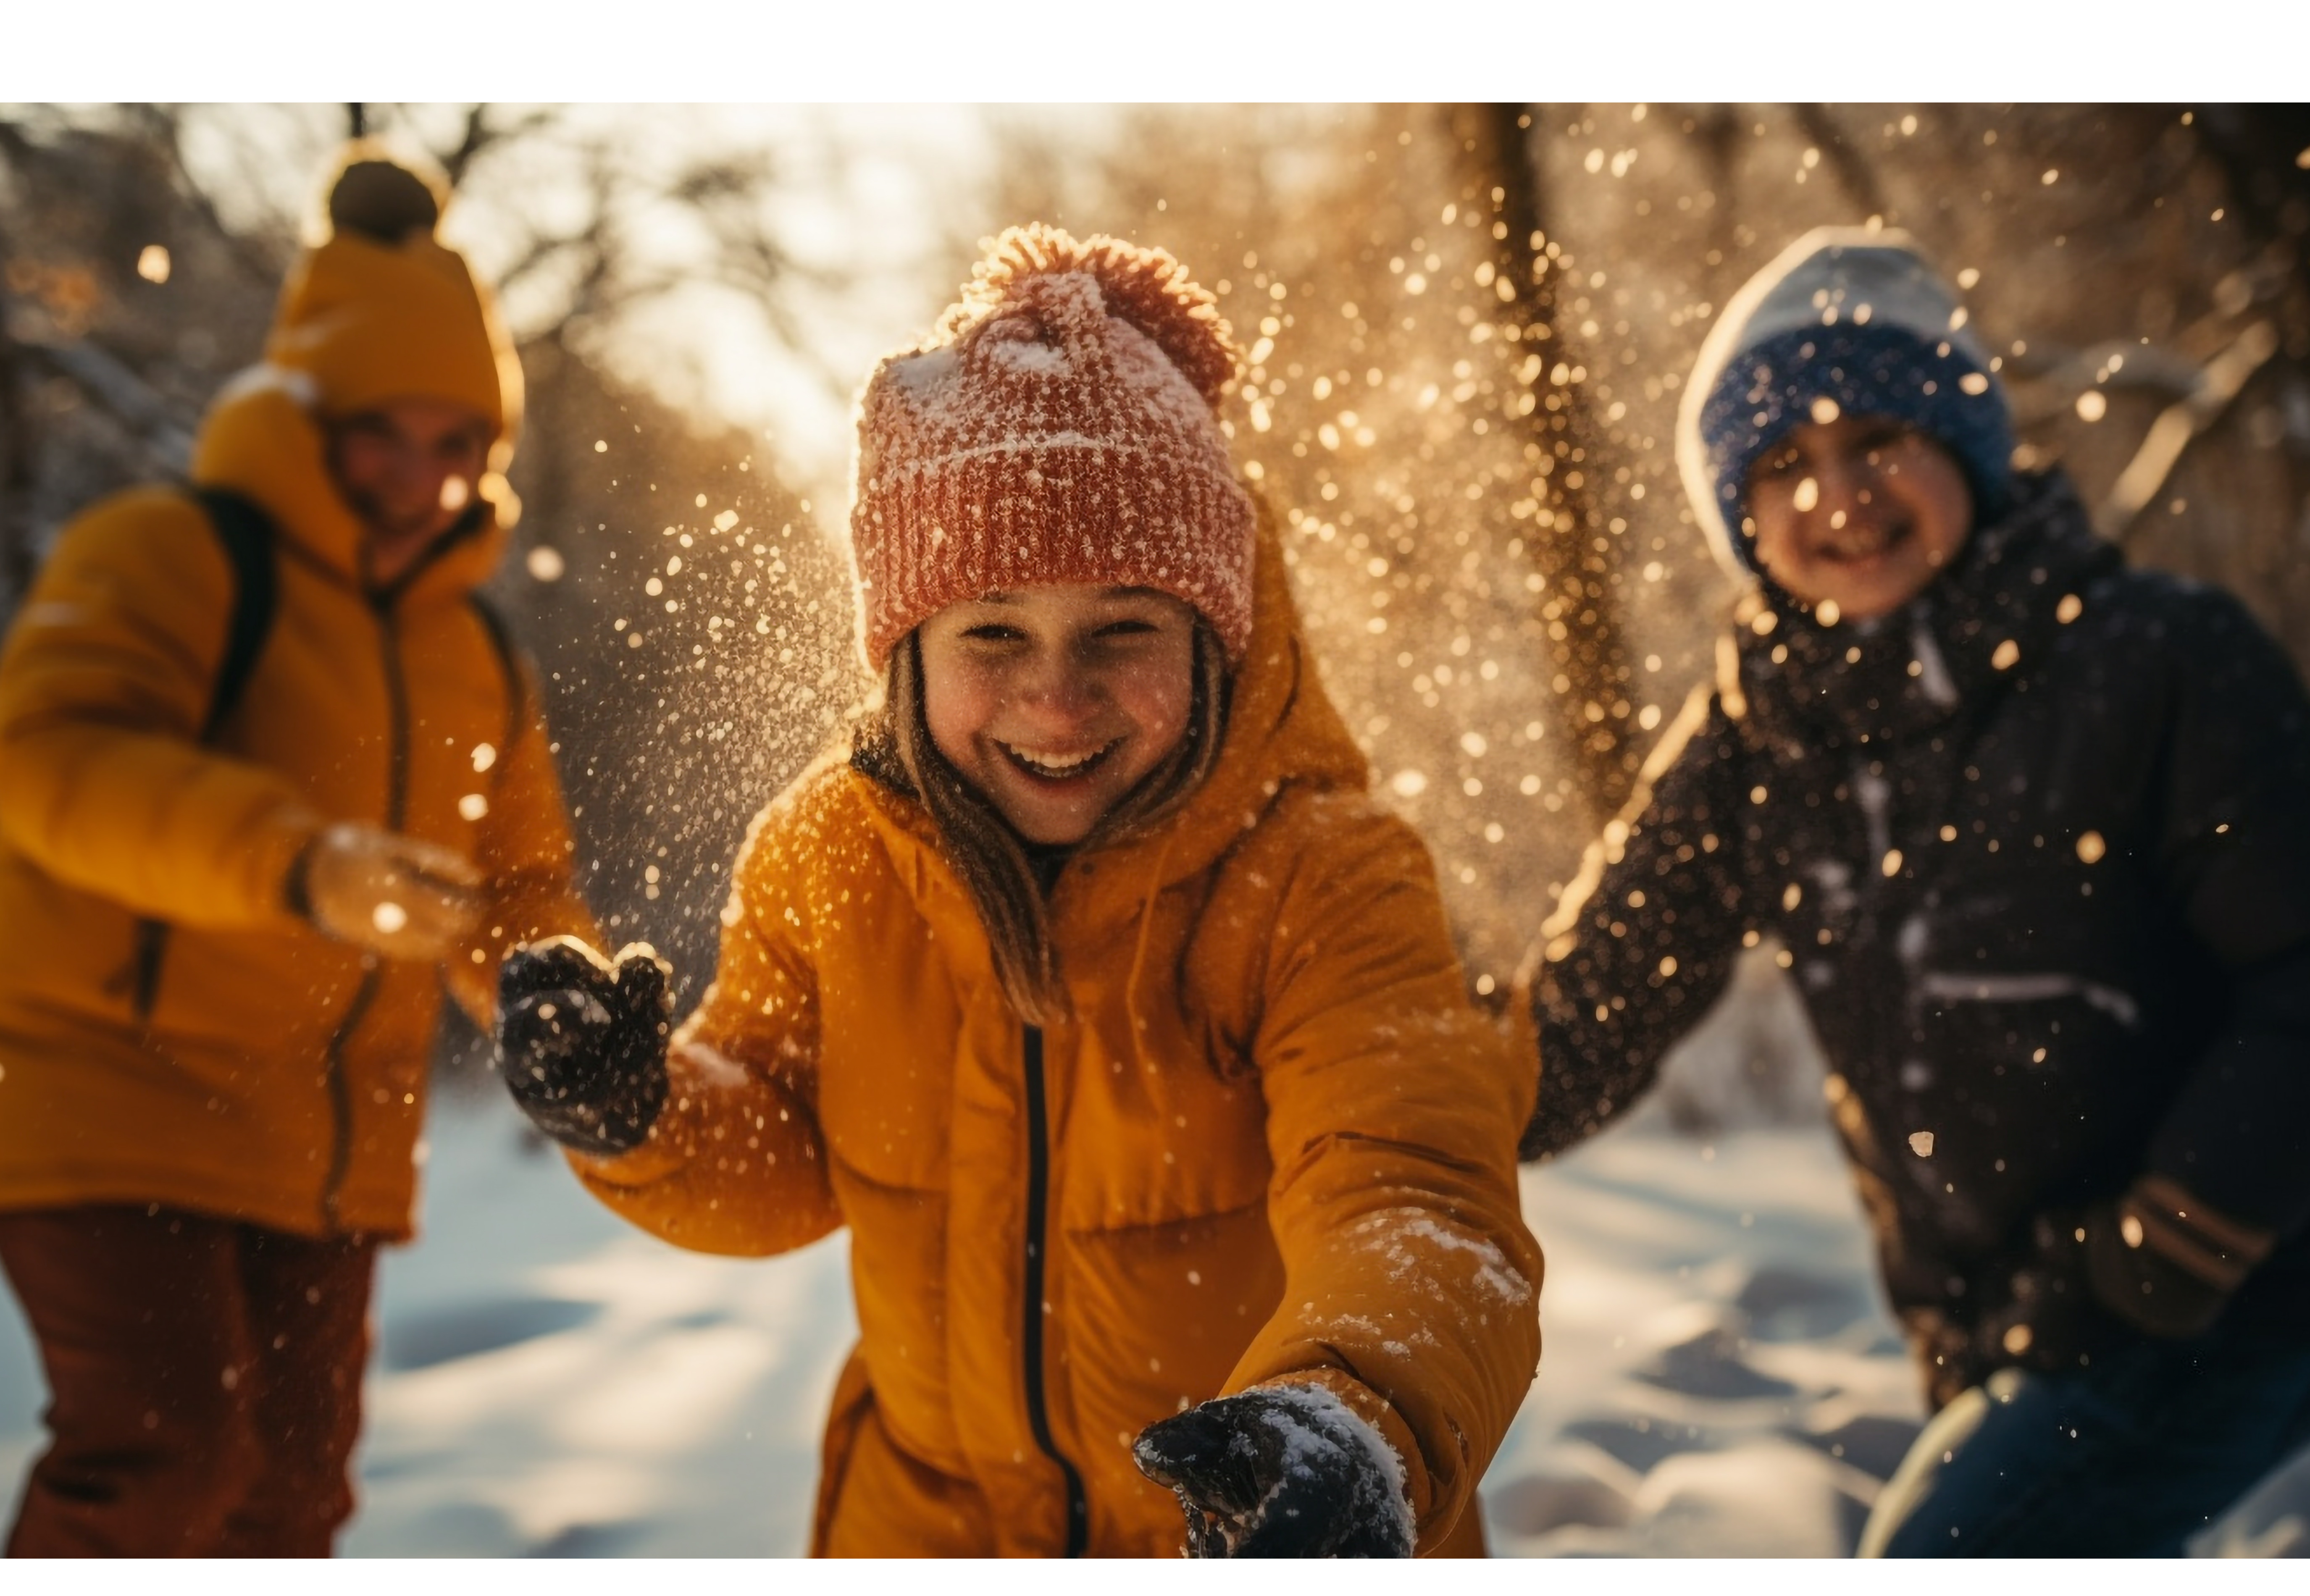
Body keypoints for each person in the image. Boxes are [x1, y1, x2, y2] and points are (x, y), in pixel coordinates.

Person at [491, 226, 1542, 1559]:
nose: (1057, 696)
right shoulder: (833, 855)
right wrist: (641, 1110)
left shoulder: (1324, 878)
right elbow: (780, 1149)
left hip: (1260, 1527)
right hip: (926, 1519)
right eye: (993, 630)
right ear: (907, 654)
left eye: (1124, 631)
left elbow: (1415, 1197)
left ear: (1217, 642)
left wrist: (1353, 1417)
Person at [1517, 226, 2310, 1557]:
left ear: (1967, 449)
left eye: (1876, 438)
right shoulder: (1762, 742)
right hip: (2006, 1332)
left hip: (2236, 1297)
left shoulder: (2157, 661)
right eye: (1783, 465)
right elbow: (1583, 1020)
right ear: (1741, 517)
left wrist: (2172, 1238)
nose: (1839, 495)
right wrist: (1376, 1084)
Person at [0, 150, 594, 1557]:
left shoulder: (477, 659)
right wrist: (302, 864)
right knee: (165, 1462)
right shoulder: (174, 555)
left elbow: (516, 892)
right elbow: (47, 762)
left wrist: (557, 993)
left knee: (289, 1506)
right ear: (310, 414)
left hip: (326, 1150)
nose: (427, 478)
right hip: (111, 1093)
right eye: (390, 433)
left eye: (462, 446)